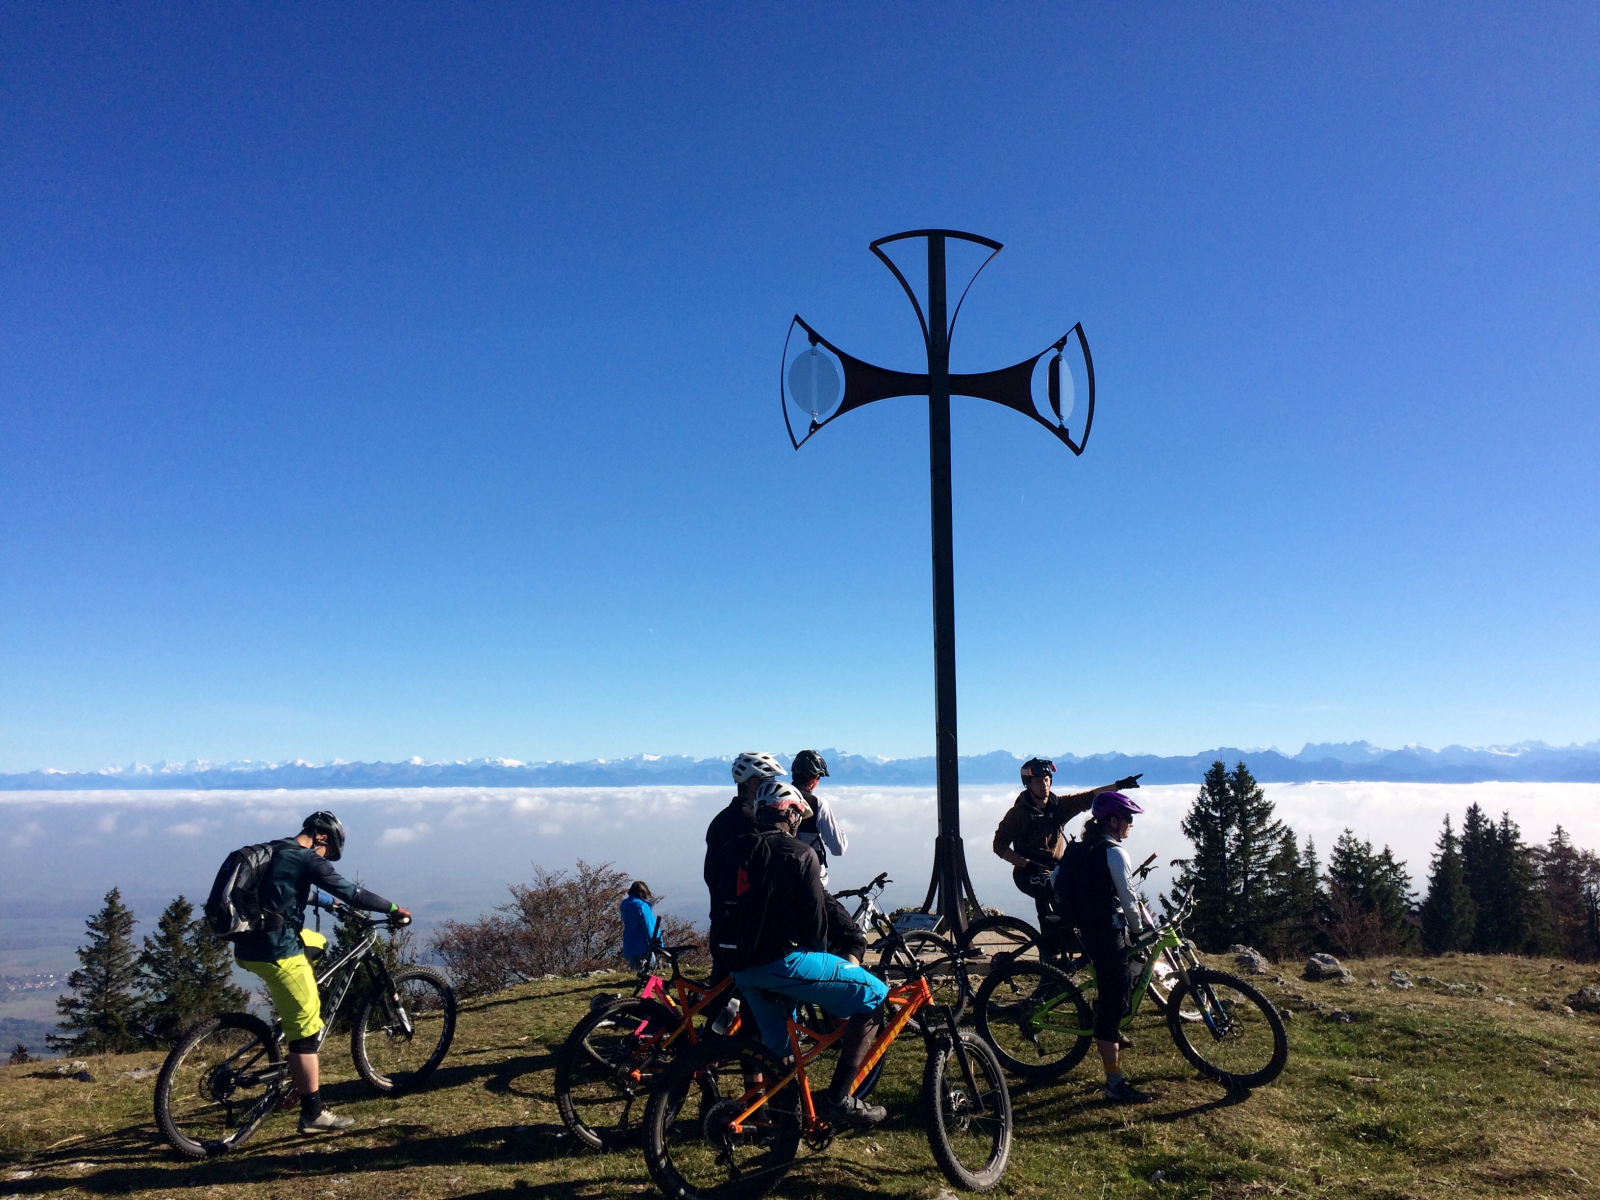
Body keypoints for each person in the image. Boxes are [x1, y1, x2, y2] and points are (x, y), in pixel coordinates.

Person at [717, 779, 890, 1128]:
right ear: (791, 813)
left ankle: (782, 1129)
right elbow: (815, 932)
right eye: (799, 814)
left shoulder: (730, 850)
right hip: (782, 963)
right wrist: (830, 965)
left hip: (738, 967)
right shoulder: (799, 854)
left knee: (779, 1053)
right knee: (874, 994)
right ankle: (839, 1099)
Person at [231, 811, 410, 1134]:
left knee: (318, 942)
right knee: (307, 1035)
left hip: (247, 946)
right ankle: (313, 1114)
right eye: (329, 853)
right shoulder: (309, 859)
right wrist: (394, 910)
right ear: (322, 837)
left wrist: (329, 905)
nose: (327, 859)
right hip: (277, 952)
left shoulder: (278, 849)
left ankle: (298, 1001)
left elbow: (294, 891)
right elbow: (353, 892)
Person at [1055, 790, 1153, 1104]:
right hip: (1105, 932)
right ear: (1112, 820)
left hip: (1082, 929)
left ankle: (1107, 1025)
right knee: (1113, 1000)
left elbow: (1057, 880)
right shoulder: (1114, 853)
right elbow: (1128, 898)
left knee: (1113, 982)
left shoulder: (1078, 848)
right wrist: (1140, 931)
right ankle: (1114, 1083)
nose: (1131, 825)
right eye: (1128, 819)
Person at [991, 758, 1138, 951]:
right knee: (1054, 893)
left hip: (1056, 867)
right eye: (1038, 781)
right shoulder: (1019, 814)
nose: (1044, 785)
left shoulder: (1059, 806)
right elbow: (999, 845)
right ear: (1028, 784)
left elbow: (1088, 798)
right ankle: (1050, 954)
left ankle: (1064, 945)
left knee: (1079, 891)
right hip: (1028, 873)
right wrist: (1026, 863)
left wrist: (1118, 786)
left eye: (1047, 780)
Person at [702, 752, 786, 1023]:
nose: (772, 784)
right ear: (752, 783)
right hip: (745, 922)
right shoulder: (752, 822)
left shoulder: (721, 819)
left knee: (722, 987)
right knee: (754, 994)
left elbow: (710, 873)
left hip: (722, 917)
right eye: (768, 779)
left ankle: (707, 1054)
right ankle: (752, 1060)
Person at [791, 749, 847, 886]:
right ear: (812, 778)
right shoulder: (818, 804)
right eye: (819, 777)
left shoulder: (774, 800)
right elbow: (838, 848)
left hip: (780, 878)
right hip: (811, 879)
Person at [620, 881, 661, 972]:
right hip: (644, 945)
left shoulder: (624, 905)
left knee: (636, 971)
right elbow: (648, 927)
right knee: (648, 971)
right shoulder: (642, 906)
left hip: (629, 944)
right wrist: (656, 944)